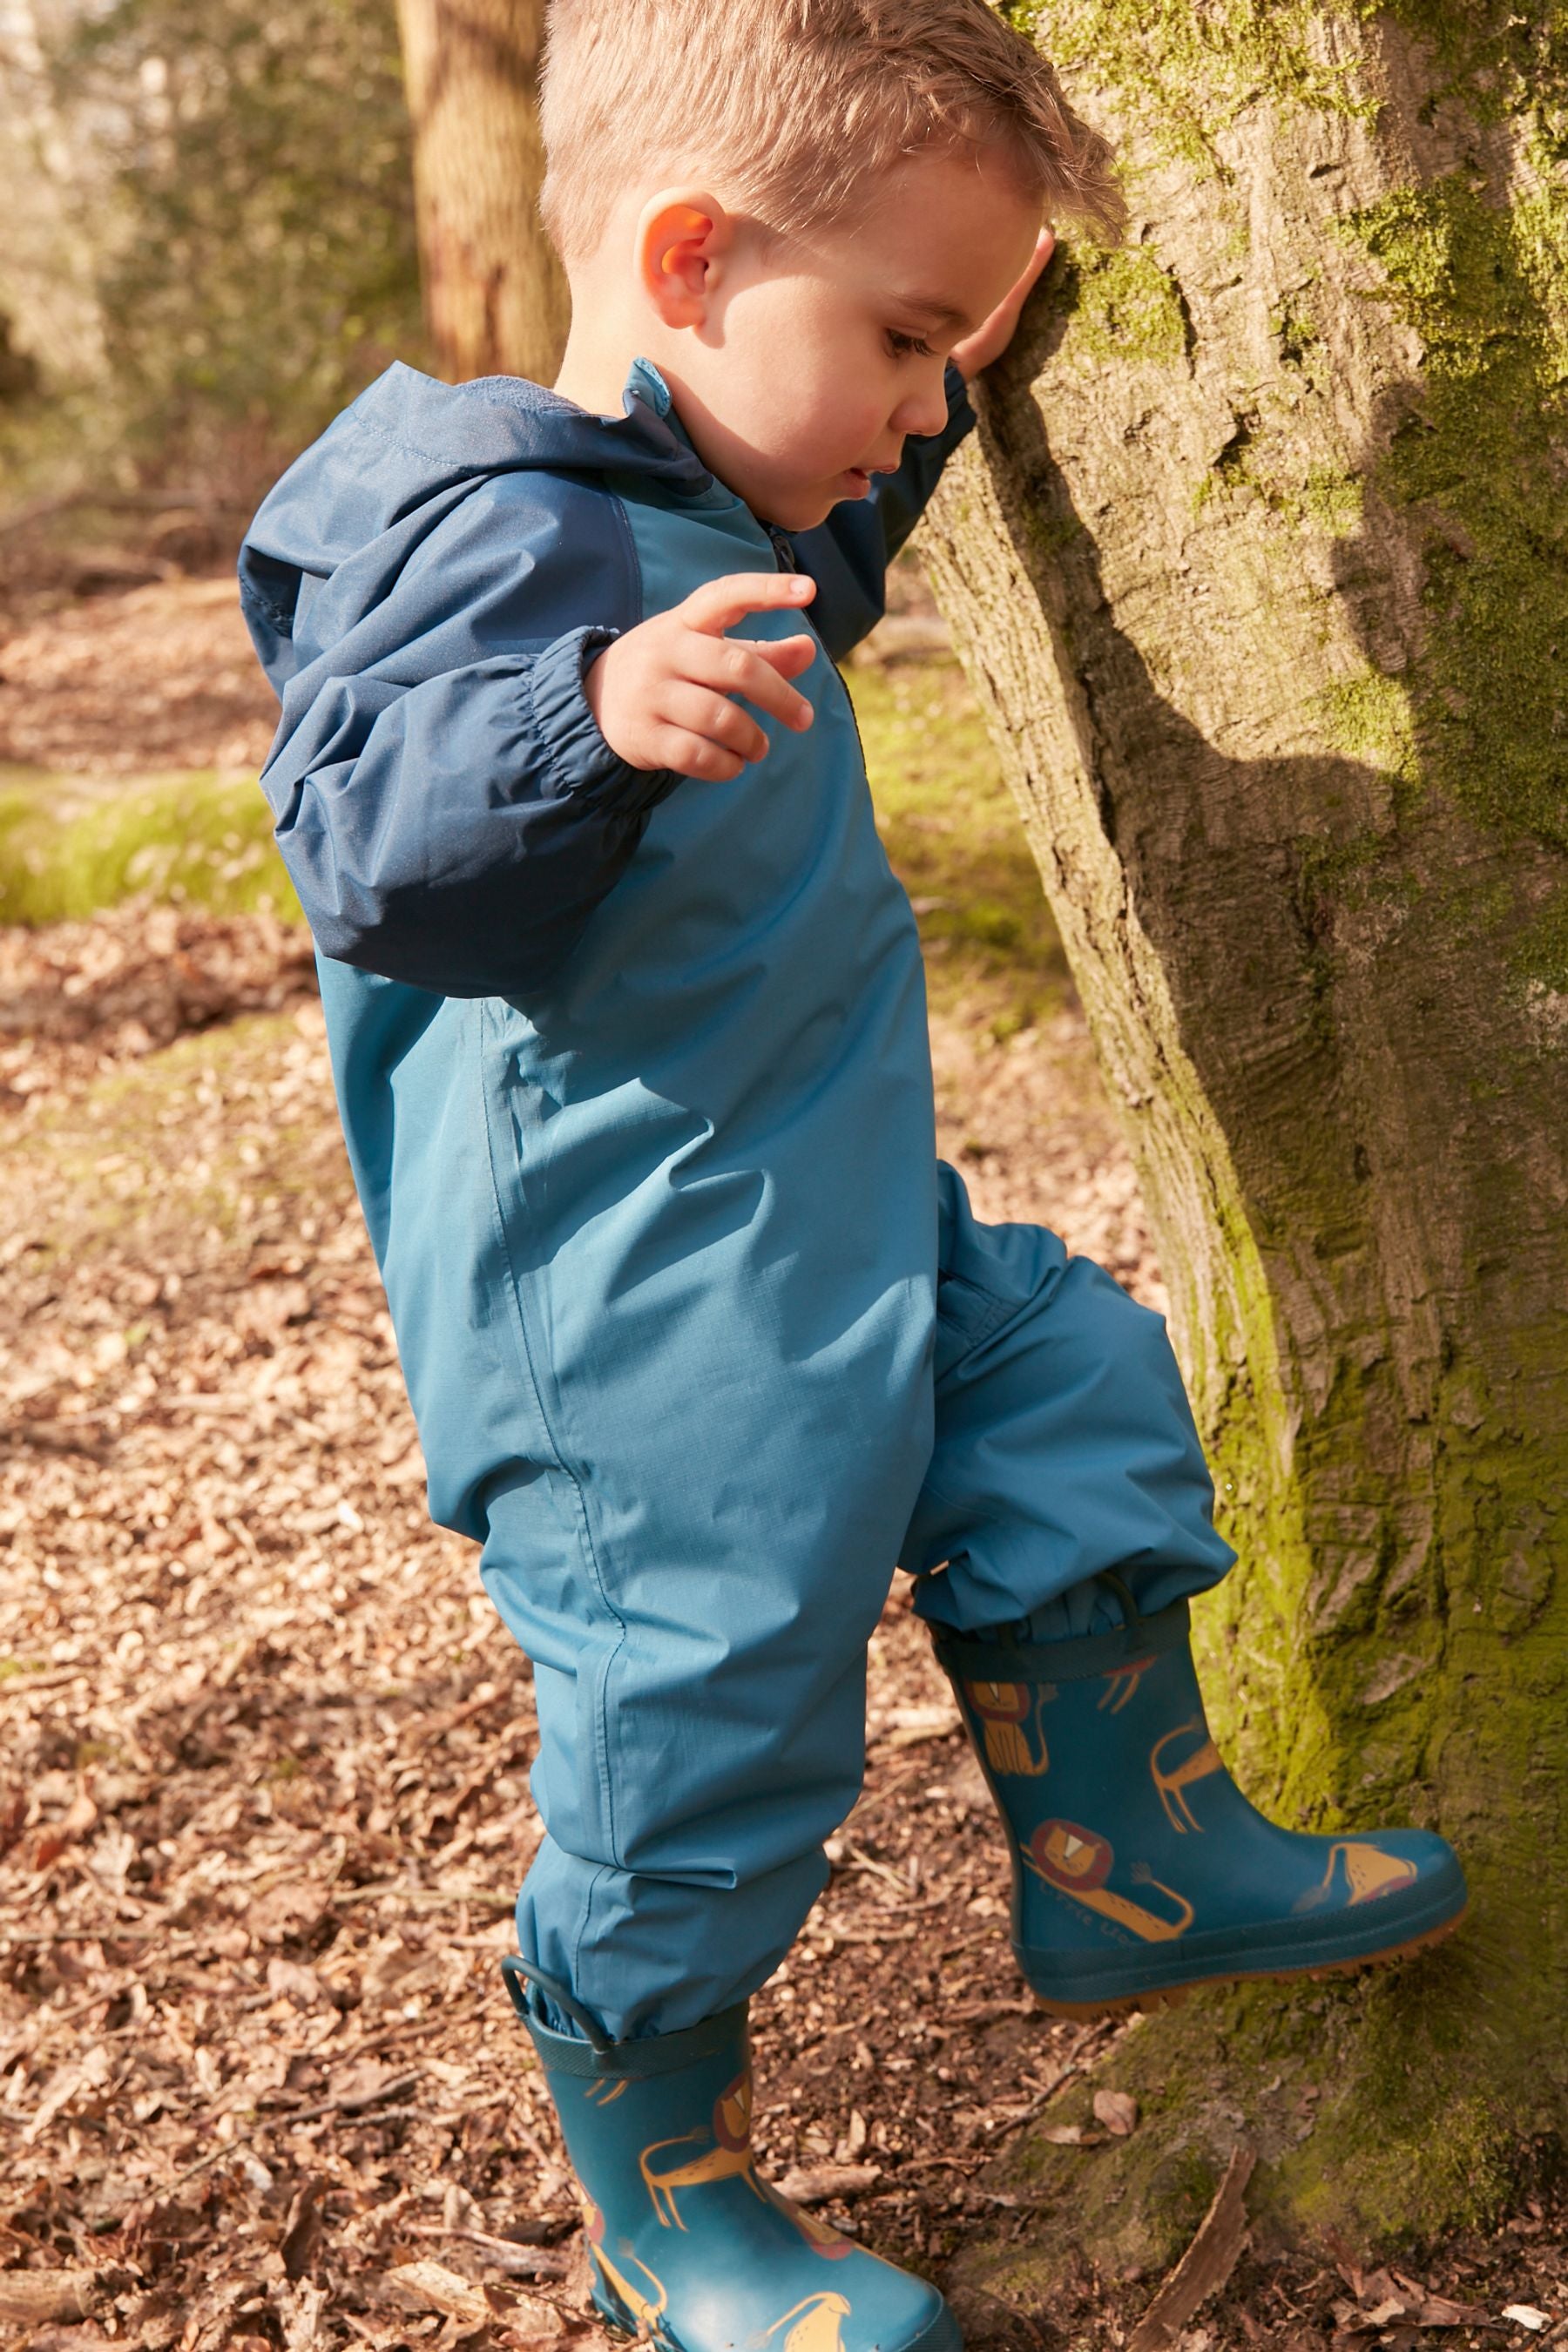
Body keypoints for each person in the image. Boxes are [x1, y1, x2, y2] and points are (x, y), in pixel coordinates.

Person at [238, 3, 1467, 2344]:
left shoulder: (724, 501)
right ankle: (664, 2178)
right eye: (904, 340)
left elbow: (845, 508)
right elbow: (374, 844)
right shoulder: (479, 517)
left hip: (823, 1208)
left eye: (950, 354)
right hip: (633, 1329)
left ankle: (1129, 1851)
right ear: (691, 257)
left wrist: (959, 372)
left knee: (1069, 1368)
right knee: (711, 1719)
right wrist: (579, 723)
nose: (923, 405)